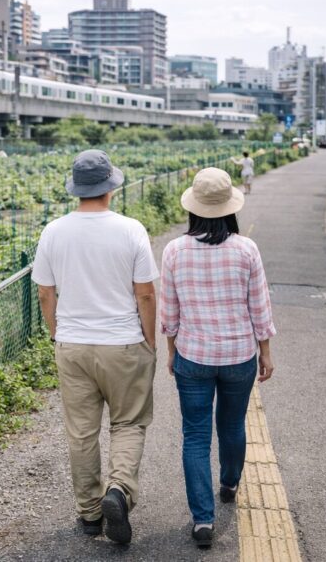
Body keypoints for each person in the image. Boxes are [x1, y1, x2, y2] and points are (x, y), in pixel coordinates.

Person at [32, 149, 159, 546]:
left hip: (73, 344)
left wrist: (57, 334)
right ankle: (118, 491)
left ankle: (89, 514)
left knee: (82, 432)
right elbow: (146, 295)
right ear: (110, 187)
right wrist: (149, 341)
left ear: (77, 190)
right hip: (122, 343)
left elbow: (45, 294)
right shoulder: (131, 229)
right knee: (128, 422)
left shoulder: (54, 231)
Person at [160, 167, 276, 550]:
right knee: (232, 425)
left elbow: (169, 312)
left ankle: (203, 520)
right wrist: (265, 352)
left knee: (195, 435)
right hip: (238, 355)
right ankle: (229, 483)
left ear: (194, 208)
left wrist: (172, 352)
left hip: (193, 355)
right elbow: (259, 305)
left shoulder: (174, 250)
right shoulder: (247, 249)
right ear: (229, 208)